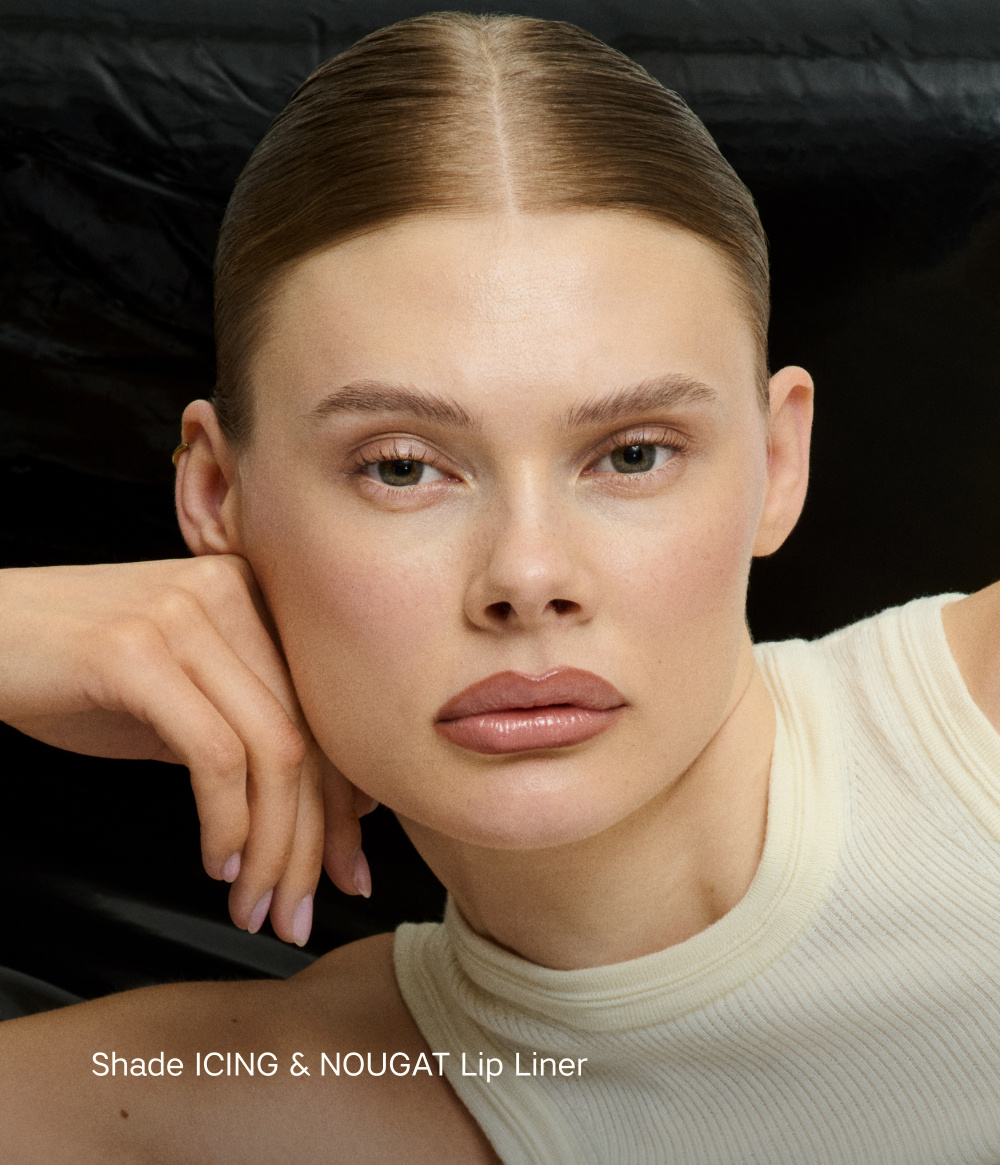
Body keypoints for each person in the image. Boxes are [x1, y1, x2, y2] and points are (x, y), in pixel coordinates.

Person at [3, 11, 1000, 1164]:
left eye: (632, 453)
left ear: (778, 463)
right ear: (218, 494)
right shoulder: (233, 1098)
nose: (528, 577)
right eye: (402, 467)